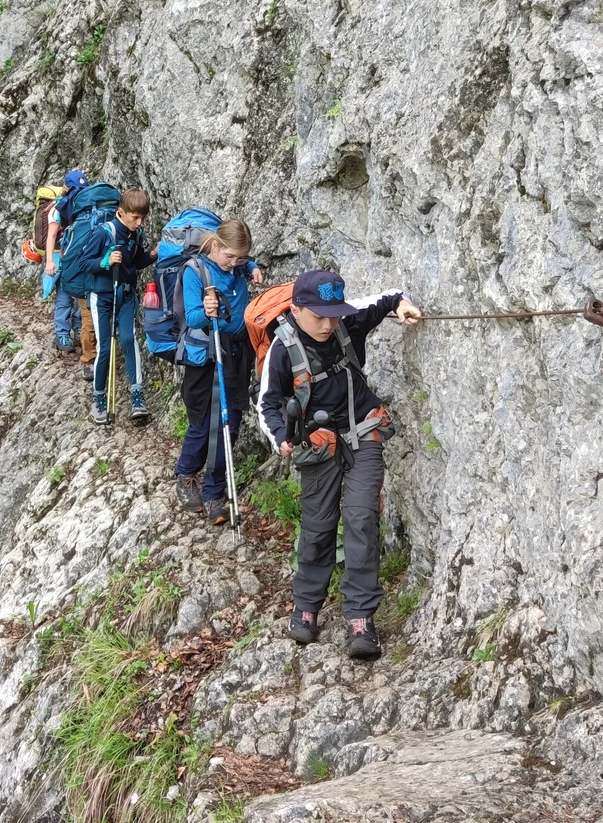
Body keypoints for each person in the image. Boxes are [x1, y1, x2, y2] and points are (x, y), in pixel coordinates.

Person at [256, 270, 423, 661]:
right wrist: (282, 437)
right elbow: (267, 404)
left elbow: (389, 295)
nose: (329, 324)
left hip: (364, 432)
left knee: (362, 518)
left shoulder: (346, 322)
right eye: (319, 316)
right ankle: (307, 605)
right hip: (317, 446)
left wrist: (403, 305)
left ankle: (360, 617)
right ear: (297, 308)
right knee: (318, 525)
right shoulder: (282, 348)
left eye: (334, 314)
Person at [175, 220, 264, 525]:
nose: (234, 263)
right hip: (205, 356)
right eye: (230, 256)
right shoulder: (195, 272)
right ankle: (186, 476)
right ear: (215, 247)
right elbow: (192, 316)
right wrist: (207, 310)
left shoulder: (238, 267)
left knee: (231, 423)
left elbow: (244, 261)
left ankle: (214, 492)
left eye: (240, 258)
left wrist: (250, 266)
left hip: (237, 353)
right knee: (204, 424)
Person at [60, 187, 155, 424]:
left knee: (128, 339)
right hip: (101, 297)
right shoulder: (104, 233)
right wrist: (105, 261)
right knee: (105, 347)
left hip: (125, 294)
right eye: (135, 217)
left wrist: (154, 254)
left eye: (142, 217)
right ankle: (99, 398)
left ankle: (137, 396)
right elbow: (84, 262)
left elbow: (136, 261)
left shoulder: (135, 234)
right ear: (121, 213)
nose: (139, 222)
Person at [42, 170, 89, 355]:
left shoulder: (84, 205)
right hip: (63, 258)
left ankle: (78, 328)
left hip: (79, 258)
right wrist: (49, 263)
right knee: (65, 296)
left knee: (81, 295)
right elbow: (52, 236)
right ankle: (62, 333)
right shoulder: (58, 209)